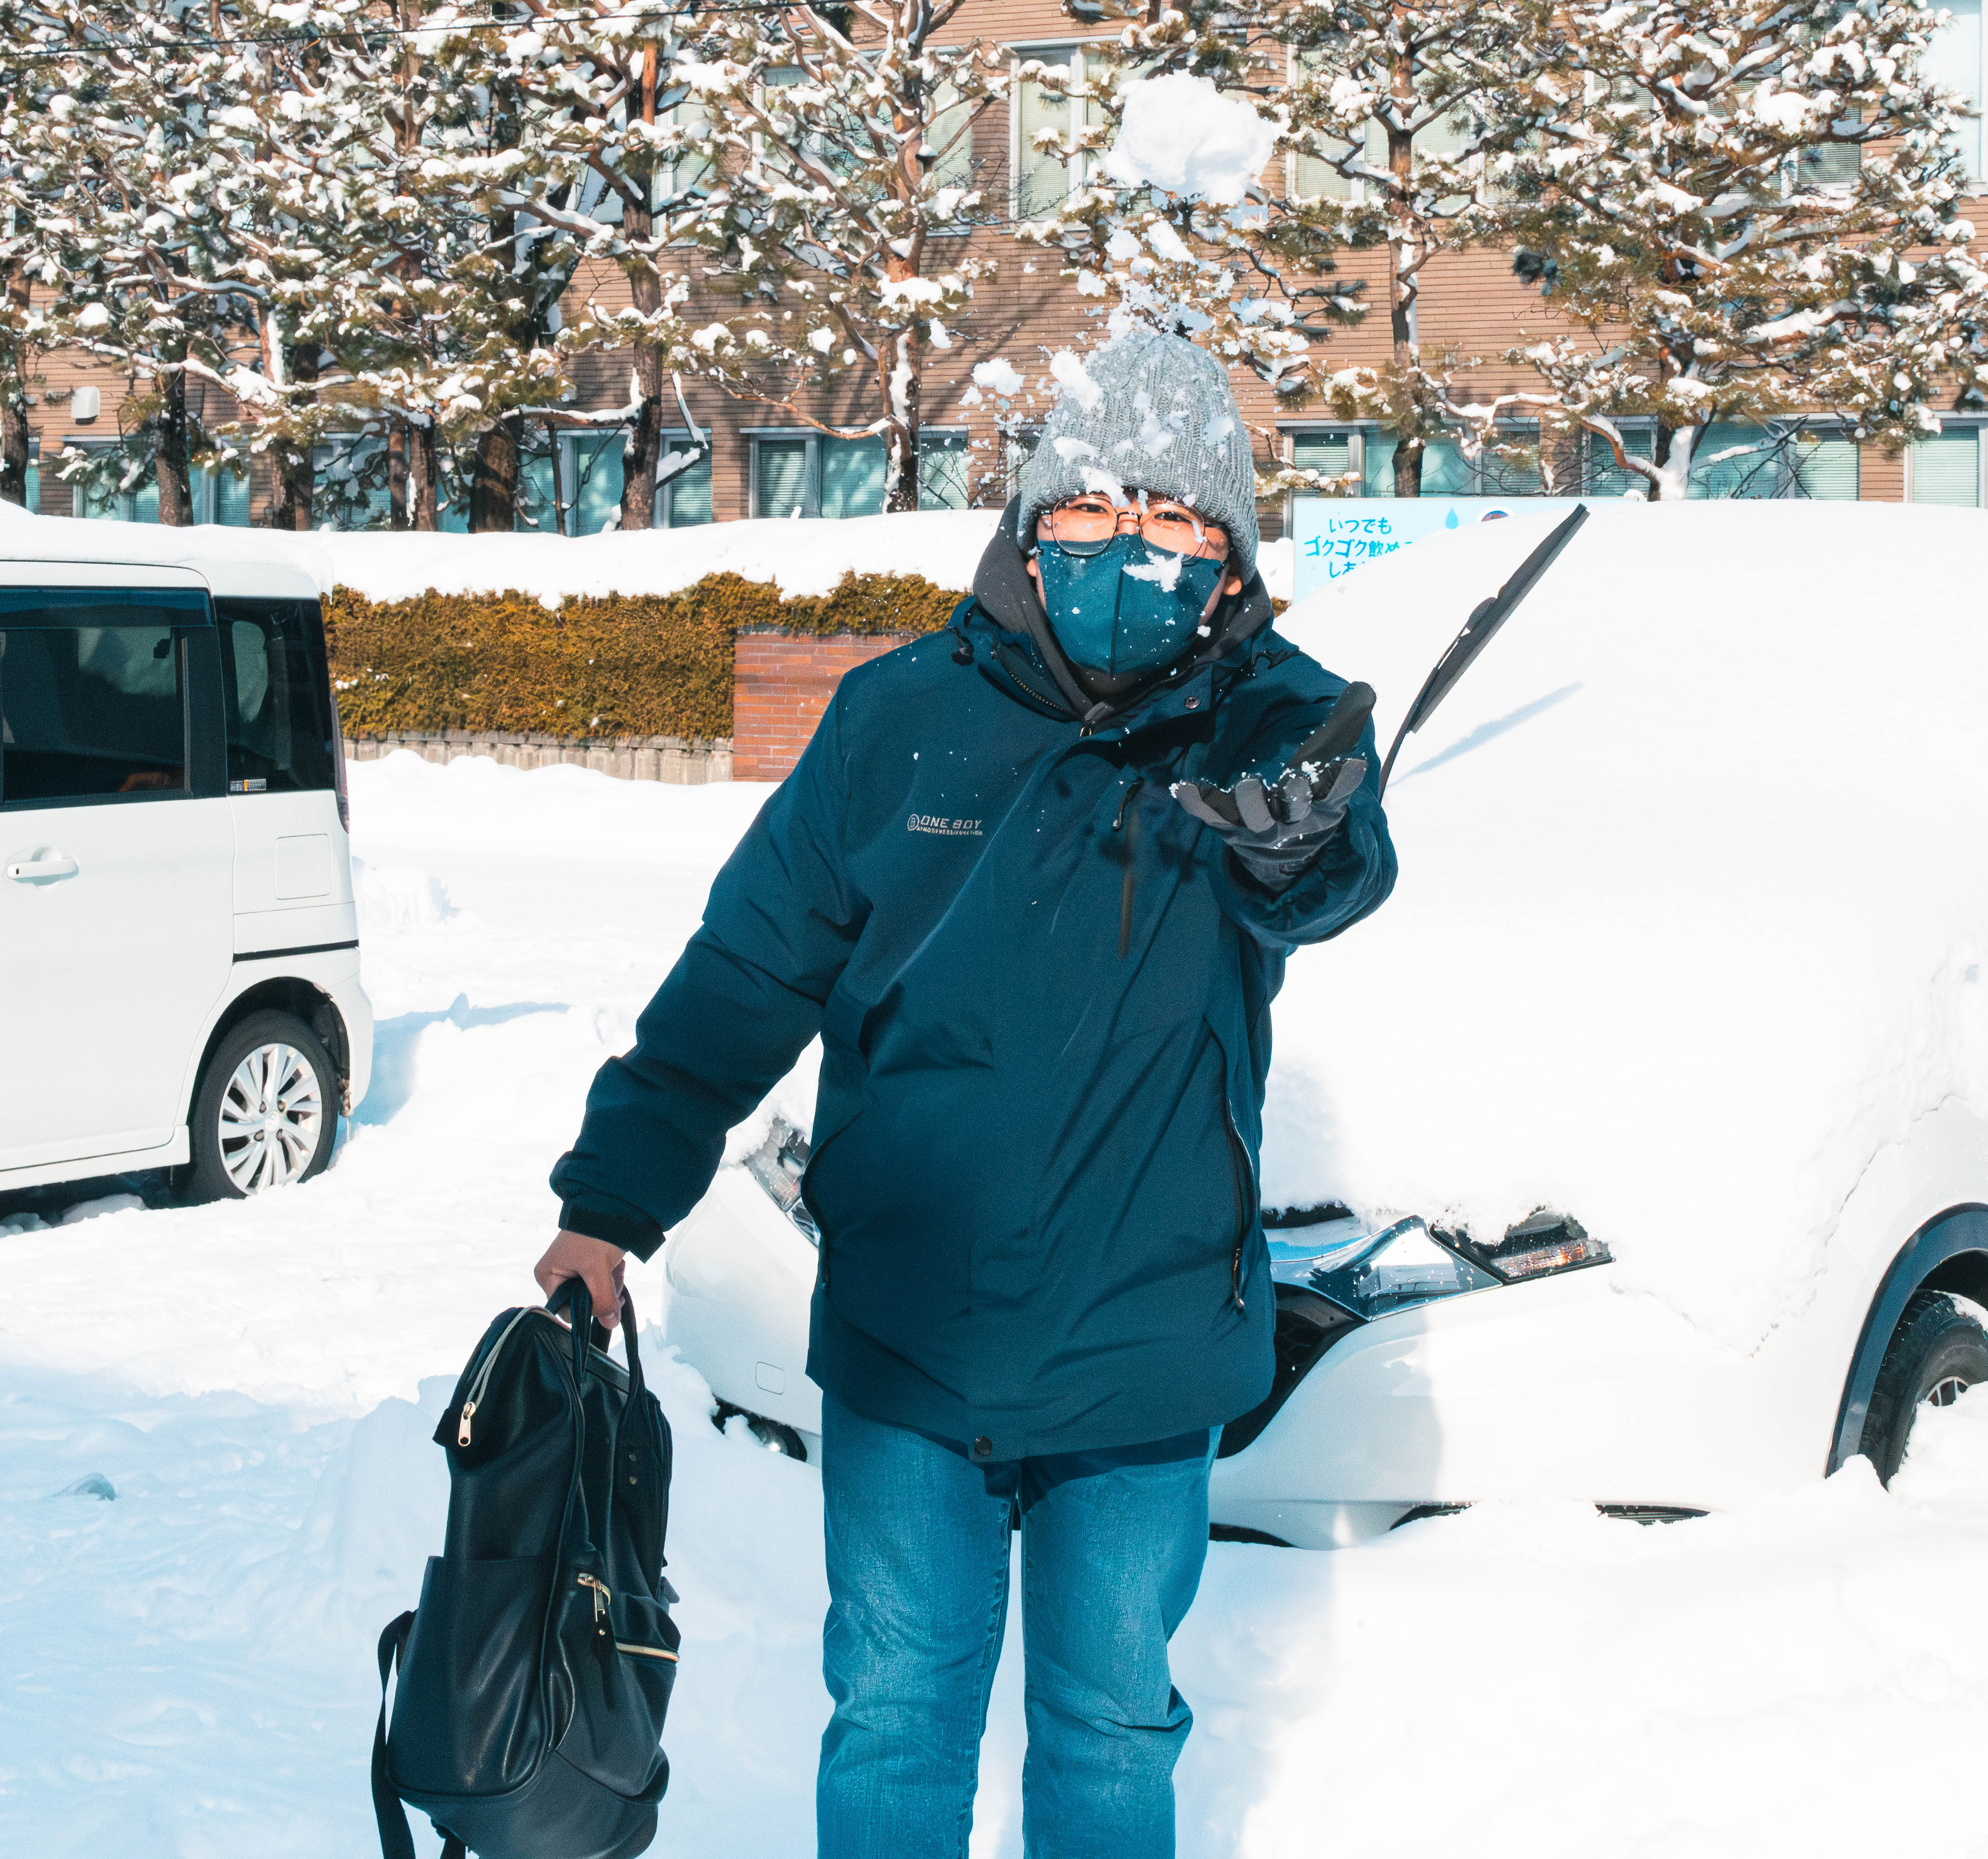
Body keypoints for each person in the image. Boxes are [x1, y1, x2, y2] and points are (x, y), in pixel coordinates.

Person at [536, 324, 1396, 1859]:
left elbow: (1331, 868)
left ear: (1228, 558)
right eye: (1094, 510)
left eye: (1174, 519)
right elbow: (747, 973)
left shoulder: (1267, 723)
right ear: (1032, 521)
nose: (1129, 549)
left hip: (1144, 1348)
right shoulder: (898, 719)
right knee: (894, 1717)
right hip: (911, 1340)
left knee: (1112, 1730)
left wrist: (1301, 837)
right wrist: (612, 1199)